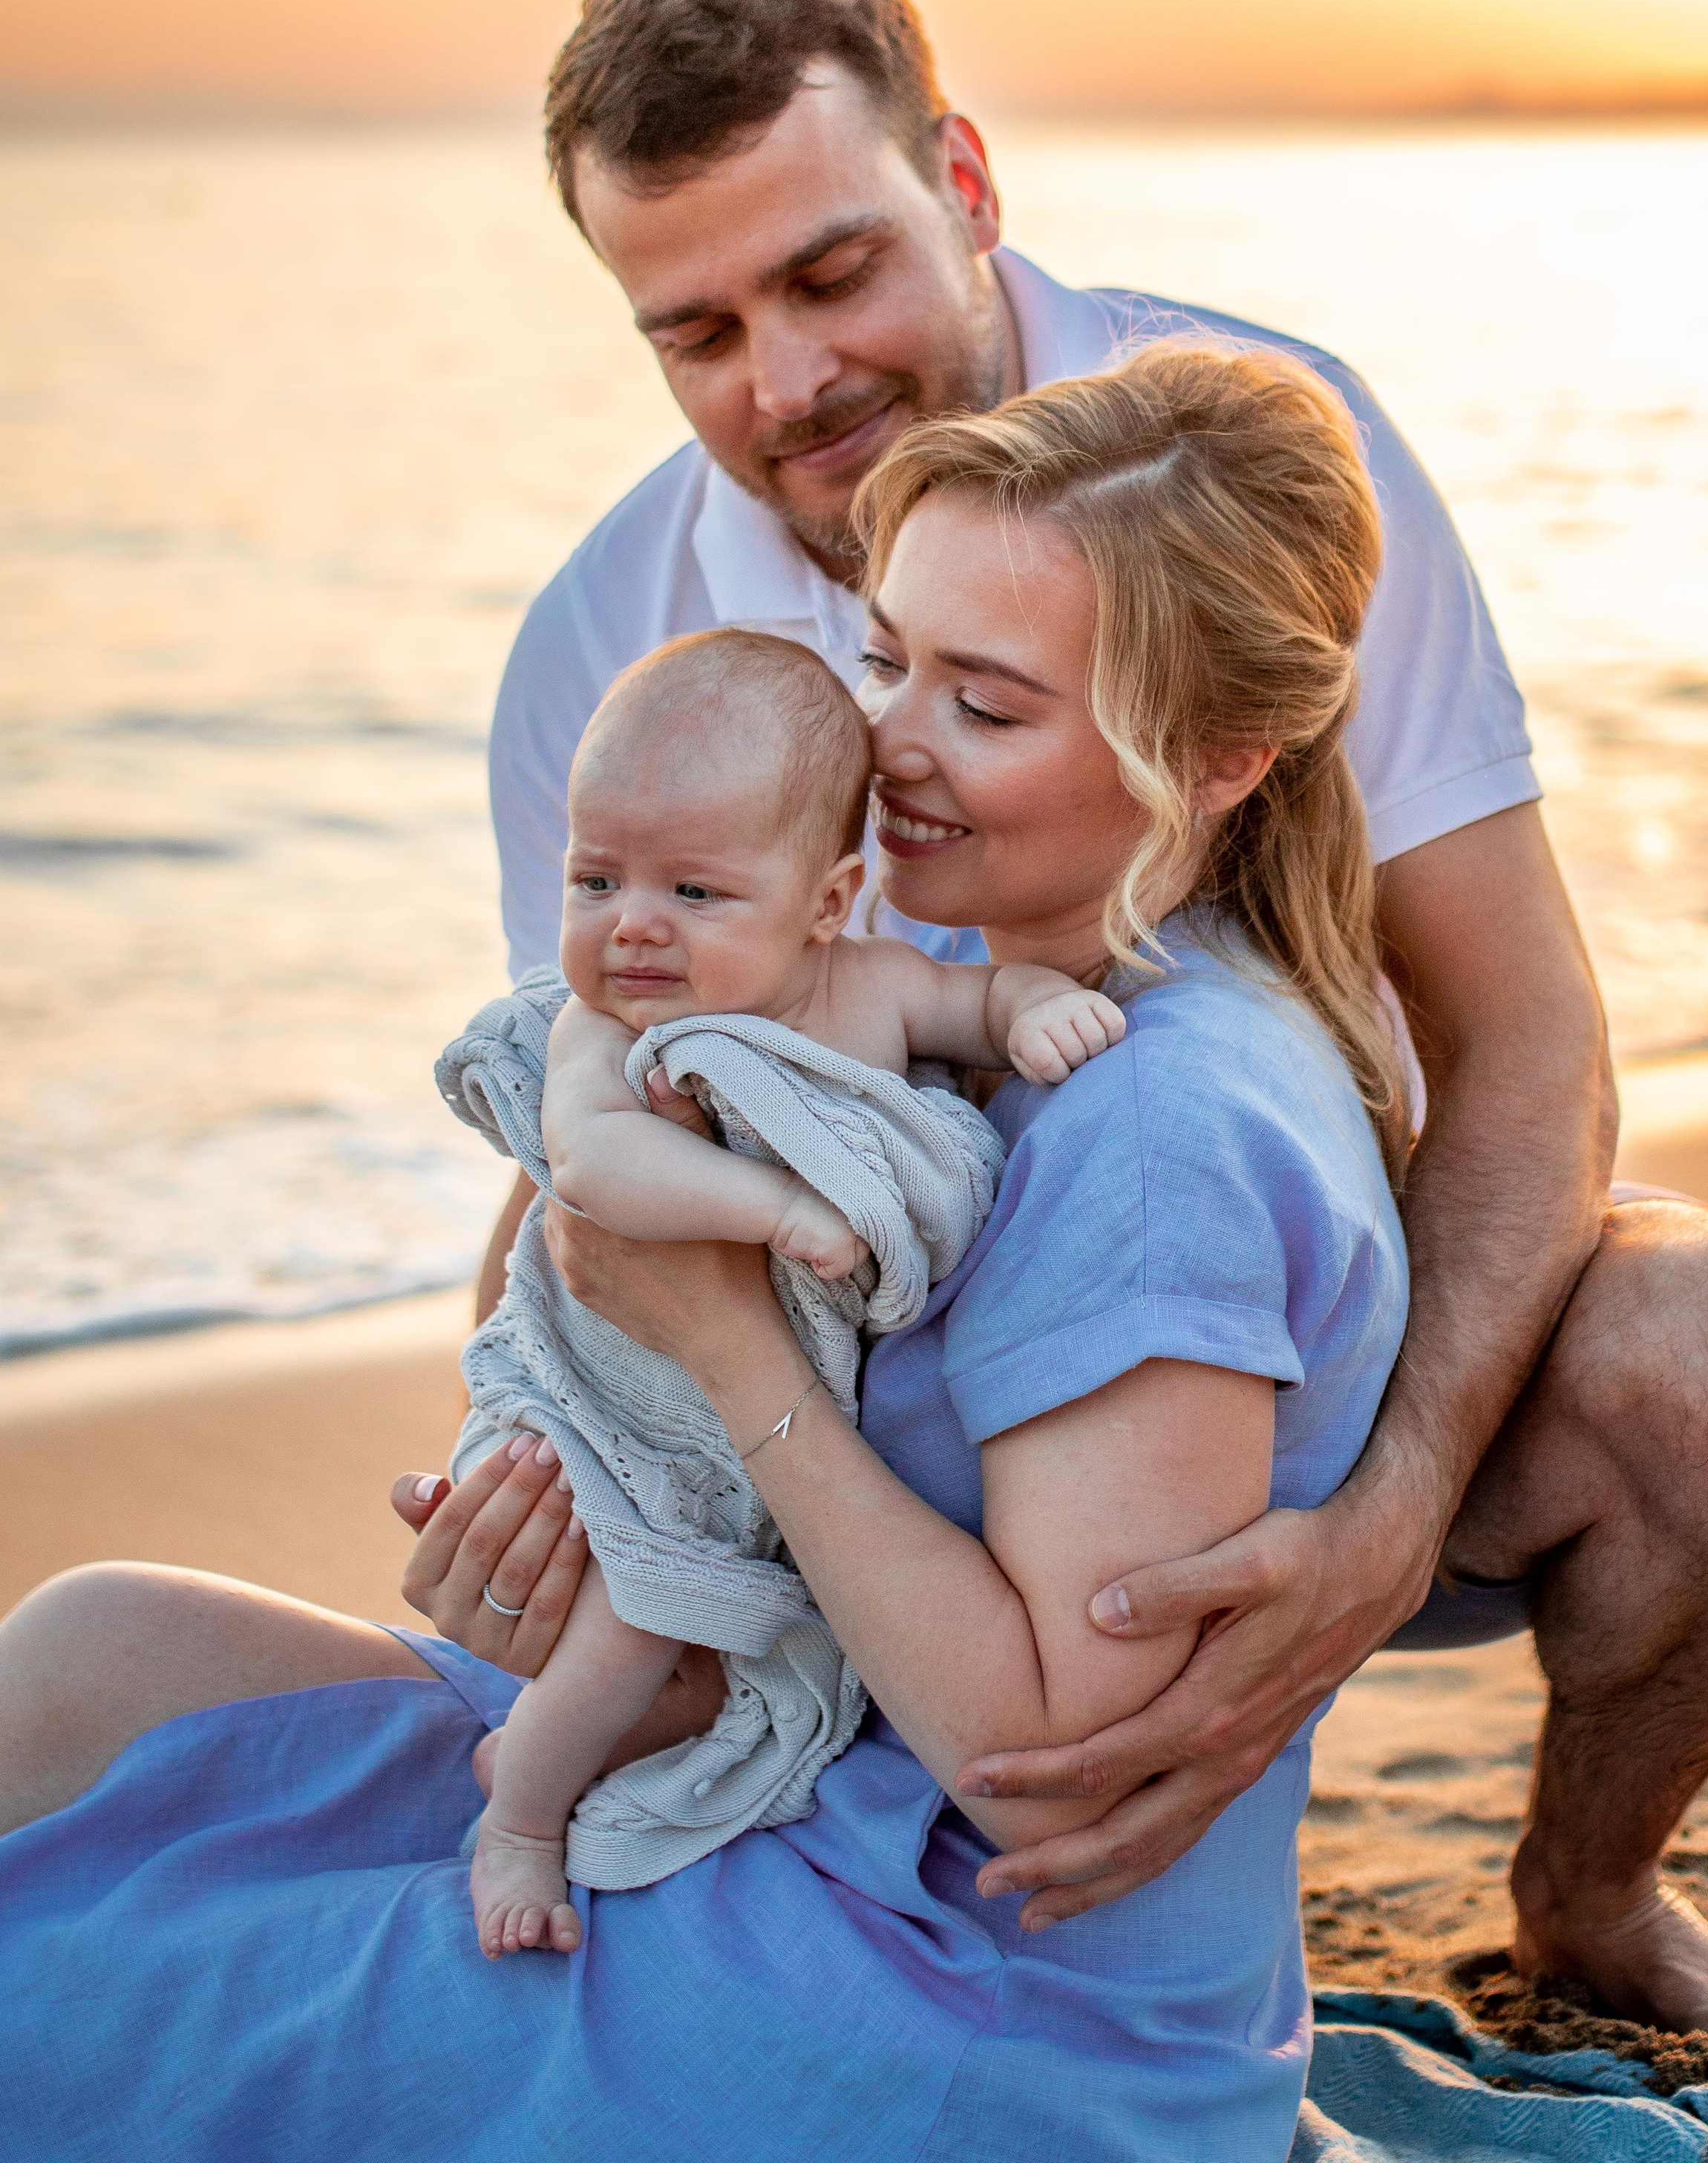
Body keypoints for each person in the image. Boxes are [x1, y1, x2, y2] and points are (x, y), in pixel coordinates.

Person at [413, 0, 1708, 2041]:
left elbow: (1524, 1028)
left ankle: (1587, 1893)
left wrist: (1381, 1519)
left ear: (969, 184)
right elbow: (596, 1111)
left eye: (833, 275)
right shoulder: (610, 646)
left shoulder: (1265, 459)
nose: (786, 381)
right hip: (896, 1417)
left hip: (1292, 1358)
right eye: (696, 329)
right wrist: (534, 1479)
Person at [0, 342, 1411, 2162]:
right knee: (92, 1652)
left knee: (65, 1992)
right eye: (889, 658)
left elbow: (1043, 1761)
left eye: (984, 706)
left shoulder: (1158, 1134)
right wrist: (586, 1532)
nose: (892, 743)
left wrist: (728, 1347)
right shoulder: (976, 1004)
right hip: (785, 1778)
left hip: (956, 2004)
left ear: (1222, 755)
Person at [457, 625, 1123, 1958]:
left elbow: (979, 1004)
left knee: (696, 1633)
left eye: (696, 892)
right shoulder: (608, 1032)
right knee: (634, 1619)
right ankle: (520, 1816)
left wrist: (1039, 1009)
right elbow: (596, 1163)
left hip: (756, 1418)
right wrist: (780, 1209)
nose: (633, 924)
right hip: (616, 1407)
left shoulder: (873, 991)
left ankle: (612, 1750)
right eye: (597, 879)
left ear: (825, 904)